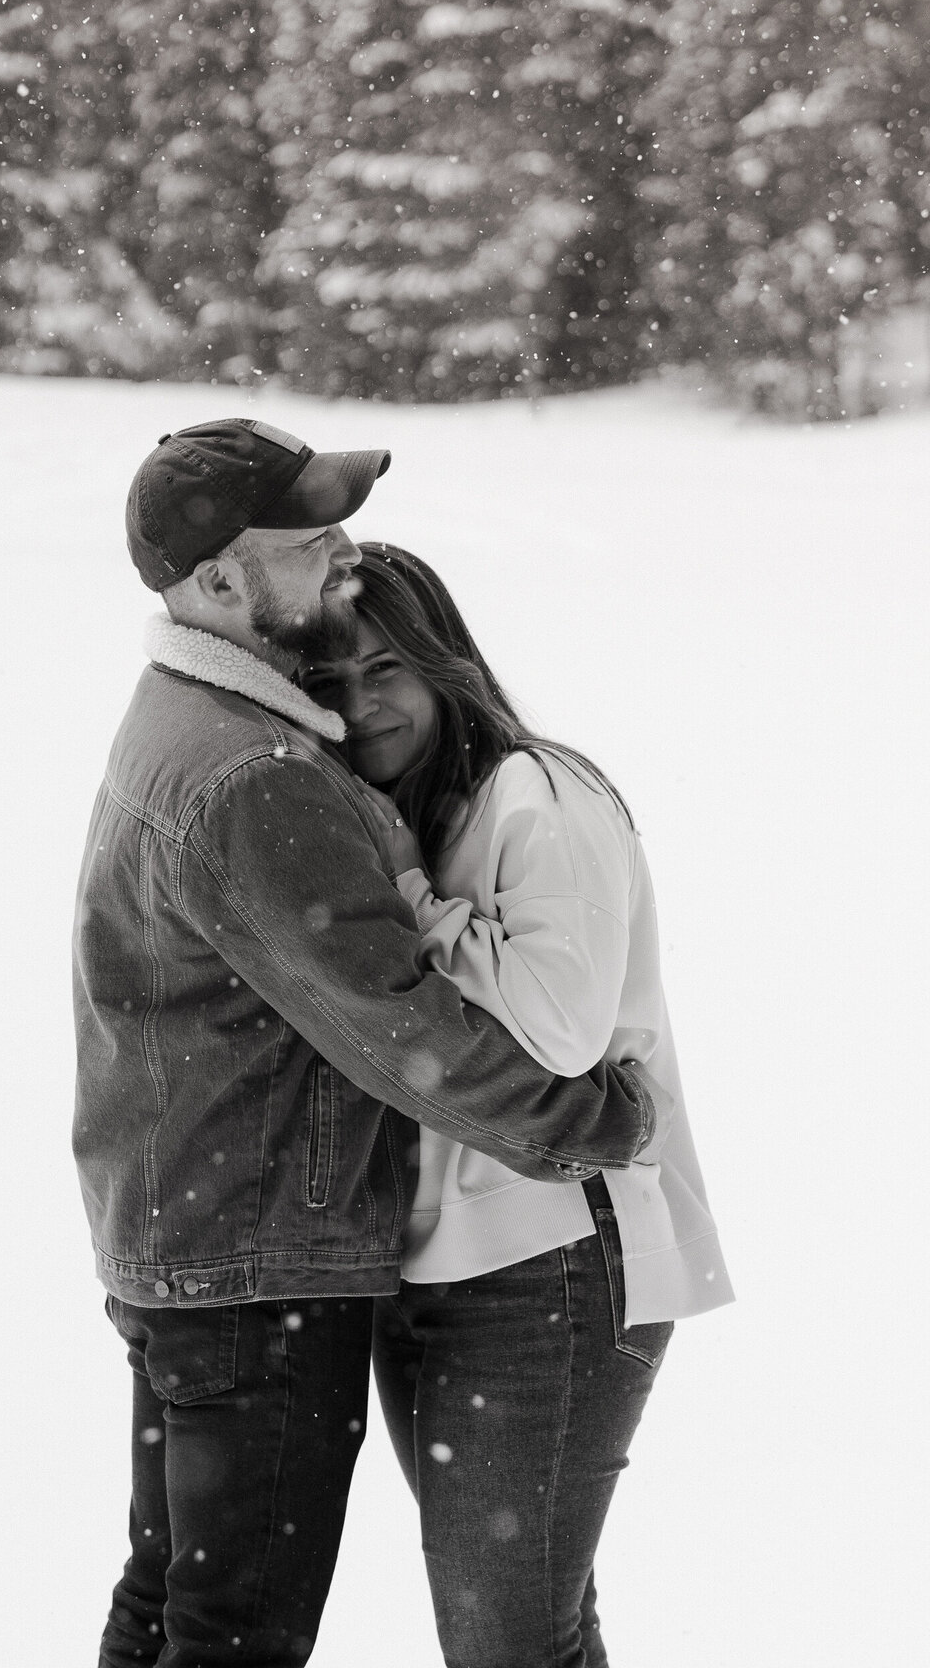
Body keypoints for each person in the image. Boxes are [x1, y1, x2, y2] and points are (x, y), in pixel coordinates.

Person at [72, 420, 662, 1668]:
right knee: (233, 1631)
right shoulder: (254, 774)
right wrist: (594, 1125)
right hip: (256, 1265)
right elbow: (400, 1028)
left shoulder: (186, 719)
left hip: (195, 1241)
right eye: (310, 539)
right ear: (221, 582)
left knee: (181, 1607)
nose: (343, 551)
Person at [300, 542, 733, 1668]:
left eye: (385, 667)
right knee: (526, 1623)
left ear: (447, 662)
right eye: (330, 685)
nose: (362, 704)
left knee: (508, 1637)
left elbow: (559, 1031)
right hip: (439, 1265)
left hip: (558, 1260)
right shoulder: (413, 812)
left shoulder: (538, 798)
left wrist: (406, 893)